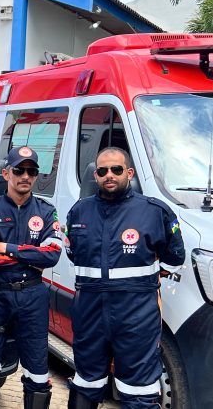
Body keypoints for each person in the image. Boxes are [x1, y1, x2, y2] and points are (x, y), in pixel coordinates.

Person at [65, 147, 185, 409]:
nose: (109, 175)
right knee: (86, 384)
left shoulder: (154, 212)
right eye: (102, 171)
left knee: (138, 389)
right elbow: (73, 253)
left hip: (136, 316)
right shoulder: (79, 212)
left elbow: (174, 258)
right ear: (95, 176)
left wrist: (139, 286)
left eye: (116, 169)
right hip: (89, 314)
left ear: (129, 173)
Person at [0, 146, 63, 409]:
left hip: (33, 296)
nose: (25, 176)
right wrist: (31, 256)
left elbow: (52, 255)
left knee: (37, 369)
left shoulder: (46, 210)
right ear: (6, 173)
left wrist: (8, 248)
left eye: (31, 171)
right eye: (19, 170)